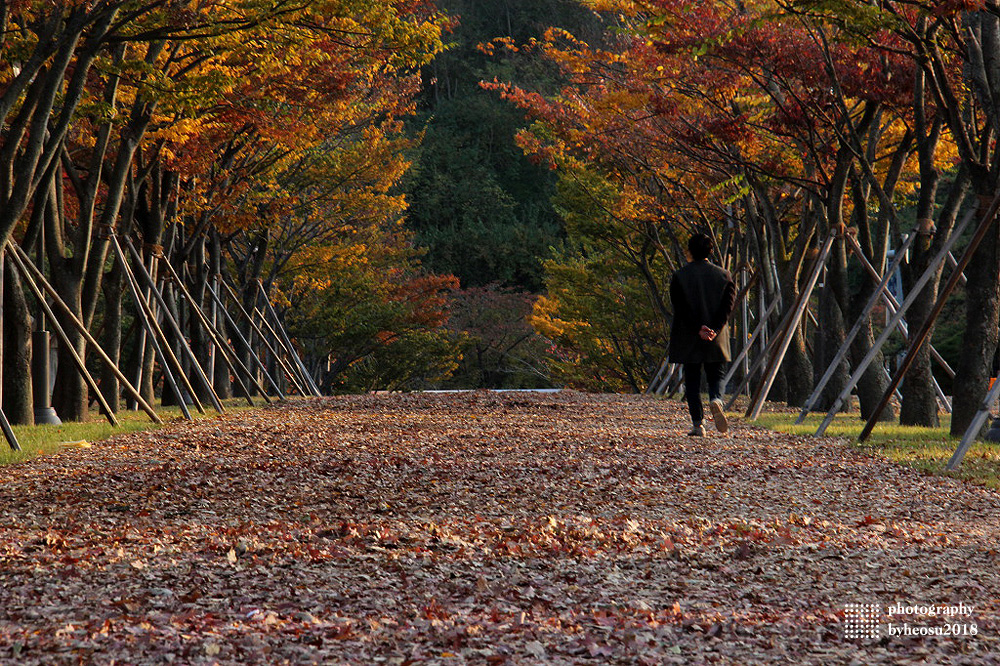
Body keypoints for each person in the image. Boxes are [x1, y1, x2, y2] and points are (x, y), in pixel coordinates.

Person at [669, 233, 737, 436]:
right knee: (716, 374)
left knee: (692, 379)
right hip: (716, 337)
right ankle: (716, 399)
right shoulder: (724, 275)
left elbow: (679, 307)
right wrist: (714, 328)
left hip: (690, 336)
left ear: (690, 251)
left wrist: (698, 328)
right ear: (710, 251)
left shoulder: (680, 276)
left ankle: (698, 424)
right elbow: (728, 306)